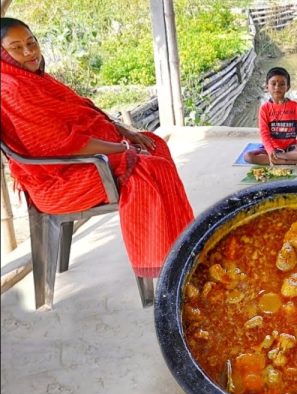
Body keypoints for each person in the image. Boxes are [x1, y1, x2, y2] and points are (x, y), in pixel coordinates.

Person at [0, 17, 194, 279]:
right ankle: (160, 268)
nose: (29, 52)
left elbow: (84, 110)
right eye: (16, 47)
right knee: (150, 171)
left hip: (86, 160)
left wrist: (124, 132)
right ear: (3, 54)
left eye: (31, 42)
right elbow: (61, 144)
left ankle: (181, 248)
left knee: (154, 143)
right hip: (57, 179)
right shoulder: (12, 89)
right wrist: (120, 148)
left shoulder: (34, 78)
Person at [244, 66, 297, 166]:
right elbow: (264, 133)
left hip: (291, 148)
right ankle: (290, 161)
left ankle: (277, 159)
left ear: (288, 87)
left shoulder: (294, 106)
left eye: (282, 84)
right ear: (267, 86)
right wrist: (269, 149)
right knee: (248, 156)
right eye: (273, 84)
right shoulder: (264, 109)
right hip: (273, 148)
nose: (277, 88)